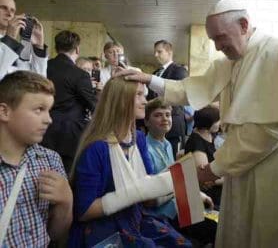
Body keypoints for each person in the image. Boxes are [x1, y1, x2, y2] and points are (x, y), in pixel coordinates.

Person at [115, 0, 278, 248]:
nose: (218, 46)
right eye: (213, 40)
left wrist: (215, 168)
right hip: (242, 166)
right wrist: (149, 79)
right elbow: (191, 89)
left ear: (244, 25)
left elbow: (269, 129)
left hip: (271, 171)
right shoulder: (230, 61)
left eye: (221, 37)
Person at [68, 77, 192, 248]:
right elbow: (83, 212)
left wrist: (186, 184)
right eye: (139, 95)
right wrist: (135, 193)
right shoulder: (97, 149)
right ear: (121, 101)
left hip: (136, 218)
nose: (145, 101)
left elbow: (147, 192)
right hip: (105, 229)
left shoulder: (138, 139)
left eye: (145, 95)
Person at [0, 71, 73, 247]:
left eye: (49, 111)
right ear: (4, 112)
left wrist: (66, 201)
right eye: (39, 109)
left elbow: (56, 234)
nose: (49, 120)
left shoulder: (50, 160)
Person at [145, 98, 217, 247]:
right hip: (166, 216)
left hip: (183, 206)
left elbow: (174, 181)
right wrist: (182, 183)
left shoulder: (167, 145)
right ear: (146, 122)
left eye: (168, 114)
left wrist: (195, 193)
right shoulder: (145, 150)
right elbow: (151, 199)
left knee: (220, 221)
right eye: (158, 115)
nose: (165, 118)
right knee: (214, 230)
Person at [42, 30, 96, 174]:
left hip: (43, 129)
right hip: (70, 135)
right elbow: (92, 104)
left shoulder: (43, 66)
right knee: (66, 175)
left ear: (56, 47)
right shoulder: (80, 75)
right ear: (77, 49)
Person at [148, 40, 187, 158]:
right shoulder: (155, 73)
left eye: (159, 52)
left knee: (173, 160)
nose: (156, 55)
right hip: (155, 126)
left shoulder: (179, 70)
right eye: (155, 52)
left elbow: (177, 94)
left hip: (172, 122)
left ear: (169, 52)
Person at [0, 0, 47, 79]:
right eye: (3, 8)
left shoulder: (19, 47)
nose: (9, 14)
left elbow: (37, 81)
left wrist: (38, 48)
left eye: (12, 10)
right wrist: (10, 39)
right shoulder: (11, 44)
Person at [185, 106, 223, 210]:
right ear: (209, 122)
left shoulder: (209, 136)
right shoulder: (197, 141)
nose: (220, 123)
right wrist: (227, 178)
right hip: (207, 199)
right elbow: (204, 178)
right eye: (218, 120)